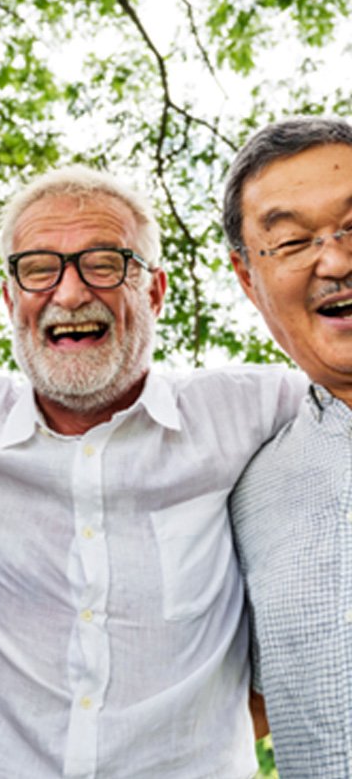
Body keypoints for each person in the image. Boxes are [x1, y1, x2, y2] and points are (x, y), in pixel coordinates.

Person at [0, 165, 306, 778]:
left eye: (105, 264)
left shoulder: (249, 411)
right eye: (38, 269)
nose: (71, 293)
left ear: (154, 292)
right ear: (10, 299)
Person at [225, 116, 352, 777]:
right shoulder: (248, 495)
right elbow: (227, 709)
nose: (336, 261)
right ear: (248, 279)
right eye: (293, 241)